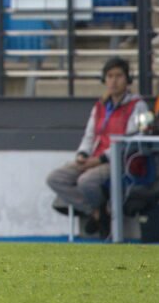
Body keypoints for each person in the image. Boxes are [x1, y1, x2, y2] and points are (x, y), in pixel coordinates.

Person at [47, 57, 148, 237]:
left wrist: (100, 159)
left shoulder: (137, 105)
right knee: (55, 178)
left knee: (86, 181)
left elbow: (130, 141)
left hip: (116, 160)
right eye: (110, 76)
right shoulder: (100, 106)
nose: (114, 81)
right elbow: (89, 135)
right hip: (94, 158)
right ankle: (97, 212)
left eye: (119, 76)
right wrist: (82, 154)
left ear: (127, 79)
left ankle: (100, 214)